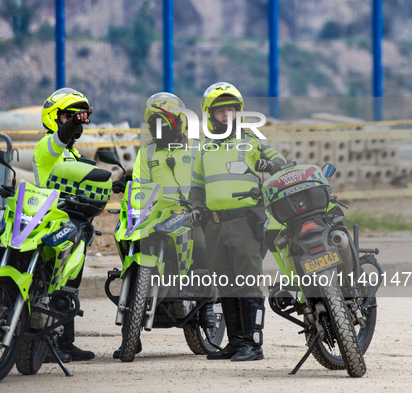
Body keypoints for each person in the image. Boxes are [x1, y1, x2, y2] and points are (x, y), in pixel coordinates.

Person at [112, 92, 217, 359]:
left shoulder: (197, 147)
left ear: (179, 123)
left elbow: (208, 179)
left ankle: (207, 303)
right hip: (154, 214)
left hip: (188, 215)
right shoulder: (146, 151)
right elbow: (138, 182)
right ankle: (129, 339)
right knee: (128, 246)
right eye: (154, 124)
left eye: (165, 123)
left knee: (203, 246)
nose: (159, 129)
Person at [189, 82, 286, 362]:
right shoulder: (204, 148)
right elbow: (197, 186)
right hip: (214, 225)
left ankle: (253, 345)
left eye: (232, 110)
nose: (227, 115)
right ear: (210, 115)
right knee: (226, 284)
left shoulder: (253, 140)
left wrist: (269, 166)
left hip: (245, 222)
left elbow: (281, 163)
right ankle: (235, 342)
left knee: (248, 283)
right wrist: (197, 207)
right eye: (221, 111)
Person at [33, 87, 95, 363]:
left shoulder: (72, 153)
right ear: (52, 118)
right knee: (51, 286)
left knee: (69, 284)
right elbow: (59, 139)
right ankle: (43, 344)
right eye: (67, 116)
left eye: (77, 116)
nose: (74, 121)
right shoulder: (48, 146)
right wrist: (72, 124)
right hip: (51, 225)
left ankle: (65, 342)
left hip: (72, 226)